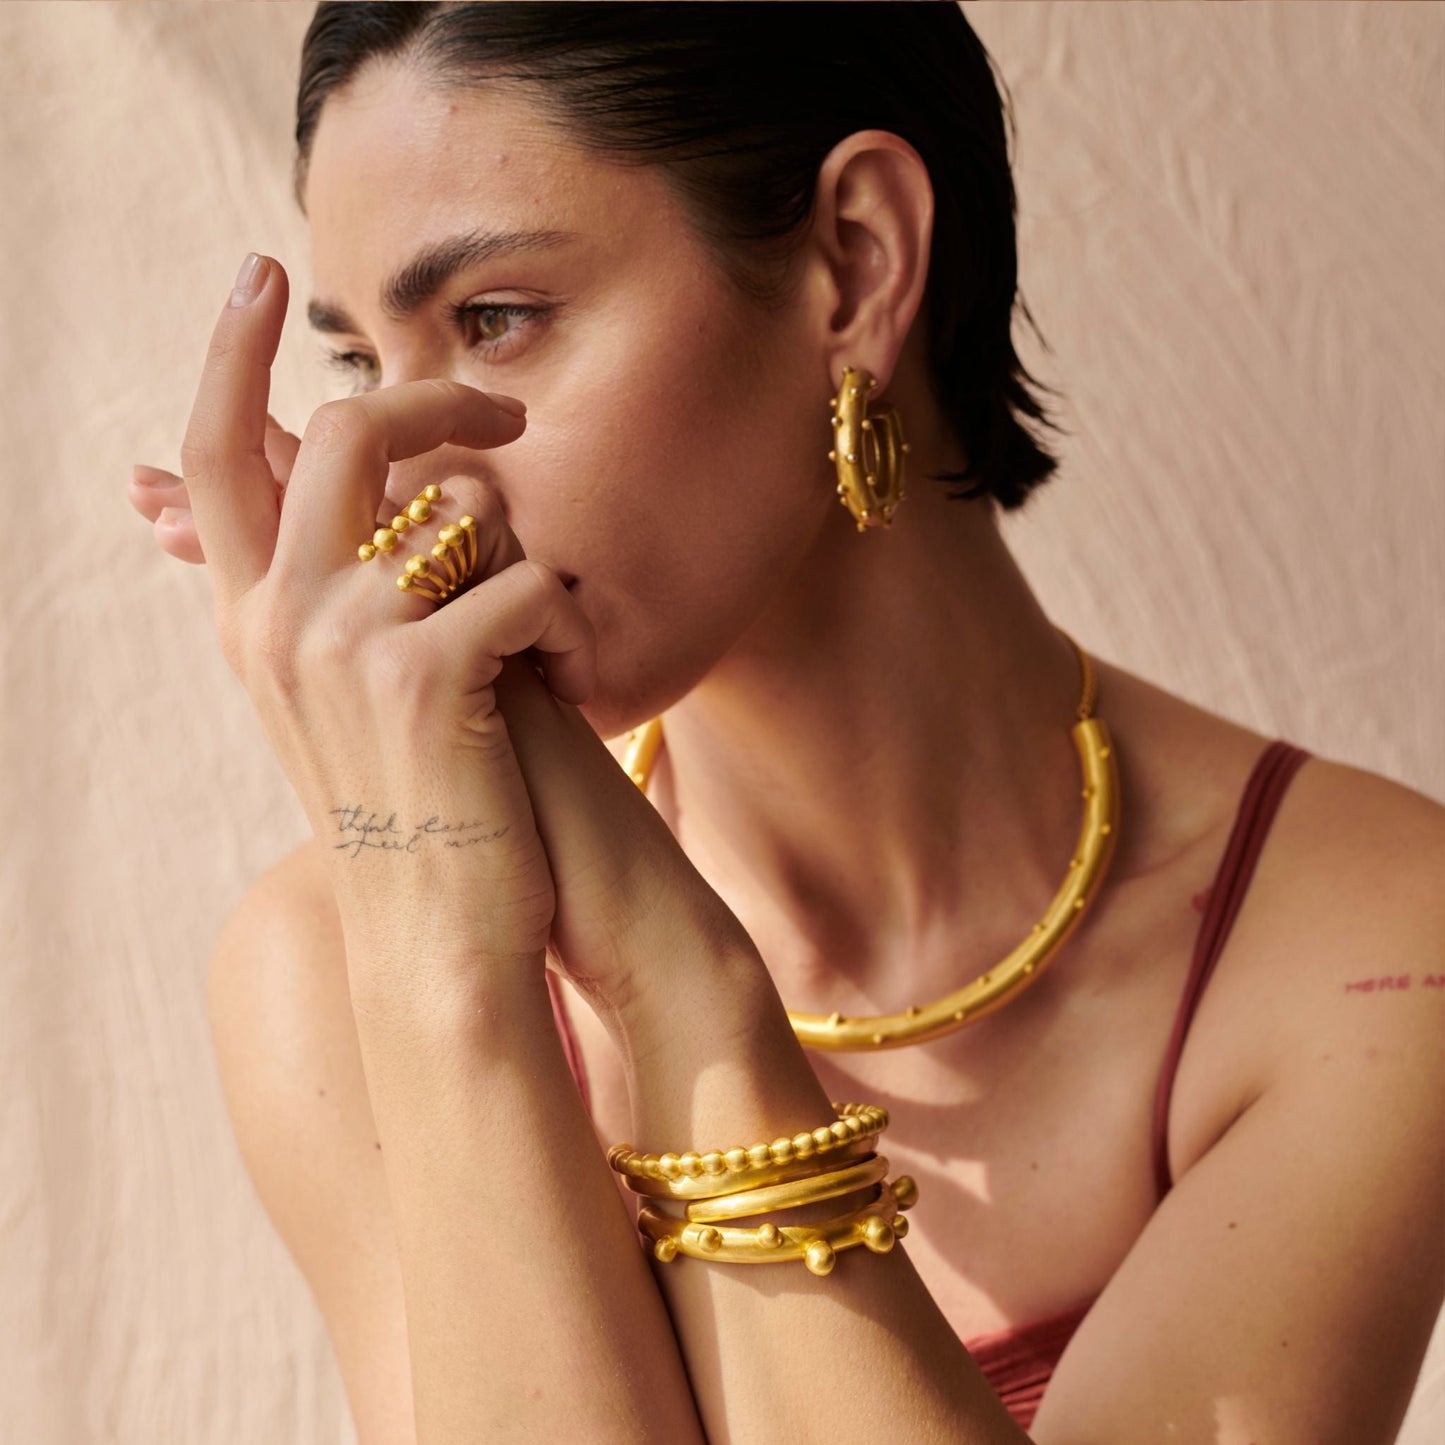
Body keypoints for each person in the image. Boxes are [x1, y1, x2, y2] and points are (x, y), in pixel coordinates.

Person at [127, 4, 1444, 1441]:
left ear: (854, 263)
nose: (404, 486)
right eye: (359, 370)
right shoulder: (335, 959)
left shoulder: (1366, 949)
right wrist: (446, 963)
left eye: (494, 322)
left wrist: (685, 983)